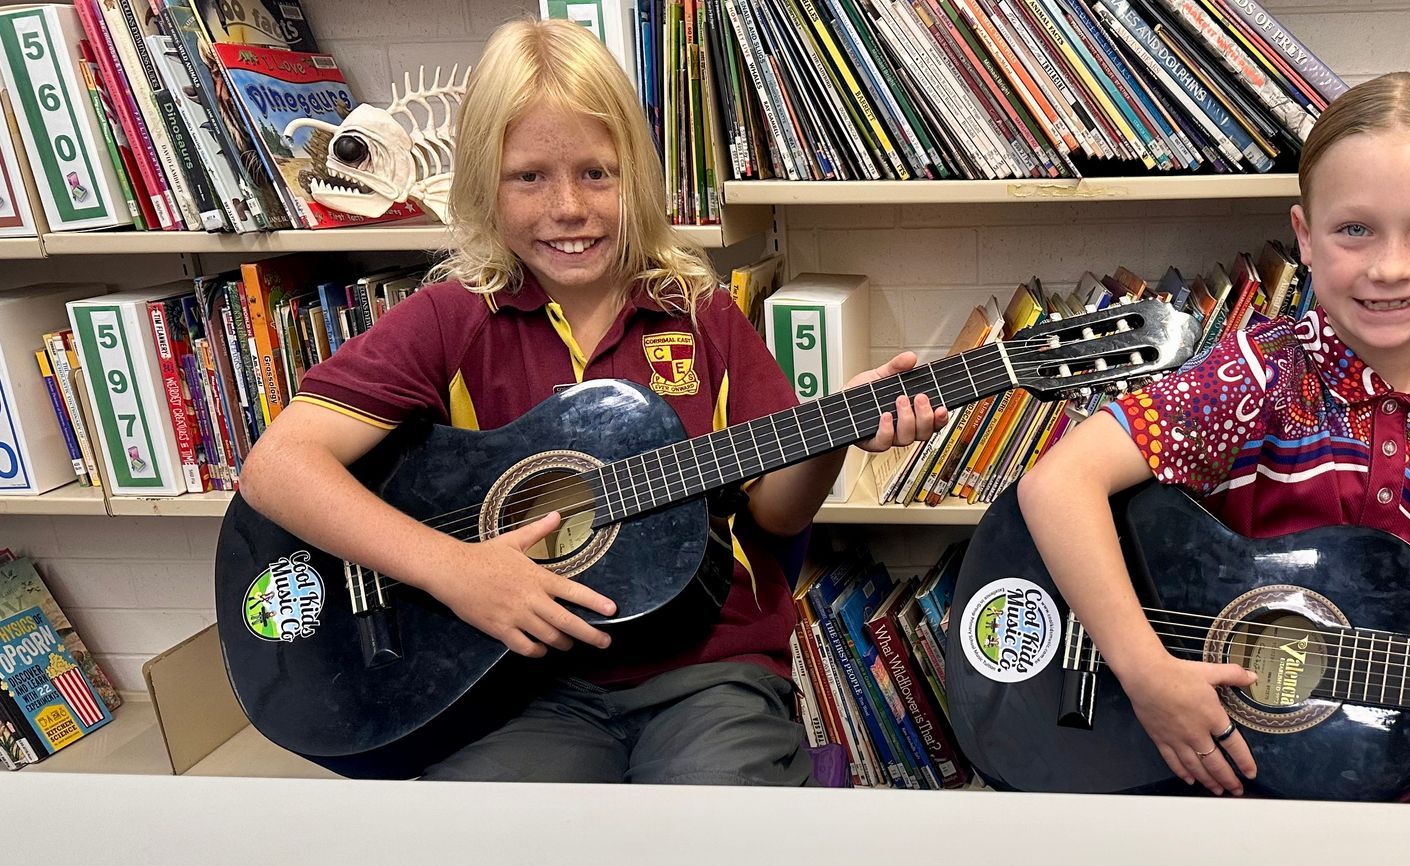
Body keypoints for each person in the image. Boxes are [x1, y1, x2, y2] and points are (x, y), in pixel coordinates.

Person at [238, 17, 945, 784]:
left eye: (596, 174)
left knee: (722, 823)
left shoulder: (699, 312)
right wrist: (452, 569)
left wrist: (834, 431)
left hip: (705, 670)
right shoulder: (450, 318)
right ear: (482, 184)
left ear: (635, 176)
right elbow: (278, 467)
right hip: (518, 681)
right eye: (529, 177)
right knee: (494, 842)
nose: (569, 206)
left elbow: (776, 516)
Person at [1016, 72, 1410, 803]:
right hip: (1221, 750)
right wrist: (1148, 674)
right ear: (1305, 236)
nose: (1391, 266)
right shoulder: (1260, 373)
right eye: (1354, 230)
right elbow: (1058, 483)